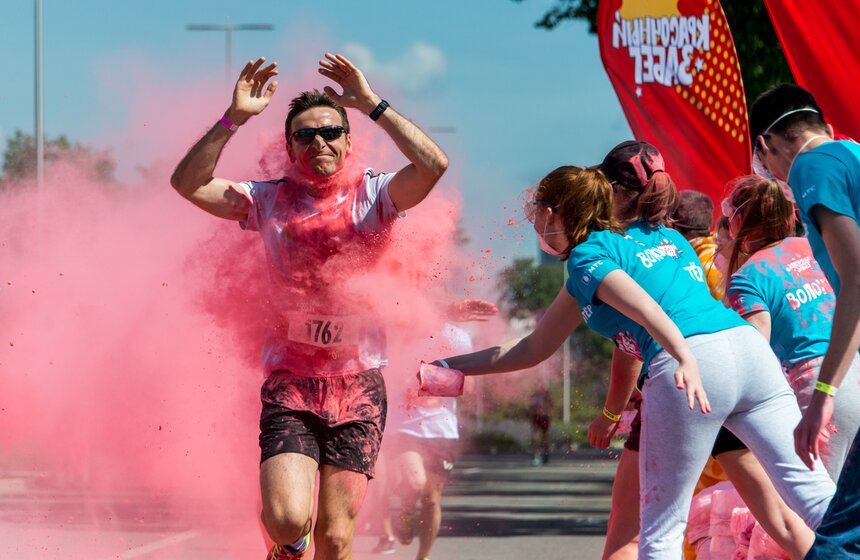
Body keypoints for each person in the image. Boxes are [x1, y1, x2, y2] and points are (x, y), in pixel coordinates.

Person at [427, 165, 835, 559]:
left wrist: (681, 355)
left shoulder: (588, 255)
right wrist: (450, 365)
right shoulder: (663, 235)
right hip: (748, 352)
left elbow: (645, 307)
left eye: (535, 213)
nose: (534, 224)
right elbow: (534, 347)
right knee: (818, 500)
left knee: (661, 529)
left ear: (551, 212)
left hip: (689, 363)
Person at [170, 54, 448, 560]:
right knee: (285, 520)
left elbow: (433, 166)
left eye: (329, 131)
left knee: (337, 537)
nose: (318, 141)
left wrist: (371, 105)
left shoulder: (375, 194)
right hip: (291, 381)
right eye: (305, 135)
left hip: (360, 384)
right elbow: (187, 184)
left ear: (347, 138)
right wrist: (235, 117)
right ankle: (285, 546)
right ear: (291, 147)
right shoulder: (266, 200)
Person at [750, 83, 860, 559]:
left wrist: (823, 396)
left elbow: (857, 276)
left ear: (768, 145)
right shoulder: (853, 151)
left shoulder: (811, 165)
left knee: (836, 542)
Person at [529, 381, 552, 466]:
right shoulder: (534, 396)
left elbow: (550, 406)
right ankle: (535, 456)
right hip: (536, 417)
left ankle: (546, 453)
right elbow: (530, 407)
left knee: (544, 437)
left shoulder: (546, 395)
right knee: (534, 437)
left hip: (544, 417)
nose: (539, 387)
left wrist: (545, 408)